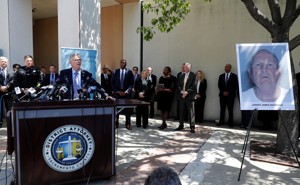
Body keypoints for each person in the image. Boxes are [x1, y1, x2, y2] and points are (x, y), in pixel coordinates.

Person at [111, 59, 134, 130]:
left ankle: (128, 123)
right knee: (117, 109)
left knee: (127, 110)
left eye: (123, 63)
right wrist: (117, 91)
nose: (122, 64)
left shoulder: (129, 72)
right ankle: (116, 123)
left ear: (126, 64)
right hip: (117, 93)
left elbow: (131, 83)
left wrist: (126, 91)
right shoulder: (115, 72)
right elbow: (112, 83)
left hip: (126, 94)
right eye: (121, 62)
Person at [175, 63, 196, 133]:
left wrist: (187, 92)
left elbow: (193, 86)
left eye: (187, 67)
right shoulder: (181, 75)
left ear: (190, 67)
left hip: (189, 96)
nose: (185, 69)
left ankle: (192, 127)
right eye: (184, 67)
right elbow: (178, 85)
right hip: (182, 96)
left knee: (191, 112)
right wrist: (181, 91)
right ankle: (181, 125)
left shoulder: (193, 75)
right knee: (181, 111)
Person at [217, 63, 238, 128]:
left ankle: (230, 123)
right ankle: (221, 121)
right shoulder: (221, 76)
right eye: (225, 67)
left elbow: (235, 86)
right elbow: (219, 85)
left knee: (230, 109)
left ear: (230, 68)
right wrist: (223, 91)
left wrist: (228, 92)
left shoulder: (234, 76)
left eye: (227, 67)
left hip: (230, 96)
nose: (226, 68)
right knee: (222, 109)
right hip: (222, 95)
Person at [0, 57, 14, 128]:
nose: (4, 63)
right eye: (2, 61)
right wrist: (0, 87)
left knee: (9, 107)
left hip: (9, 92)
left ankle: (10, 122)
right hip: (0, 92)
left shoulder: (11, 71)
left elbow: (12, 81)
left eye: (5, 62)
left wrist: (7, 87)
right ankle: (0, 122)